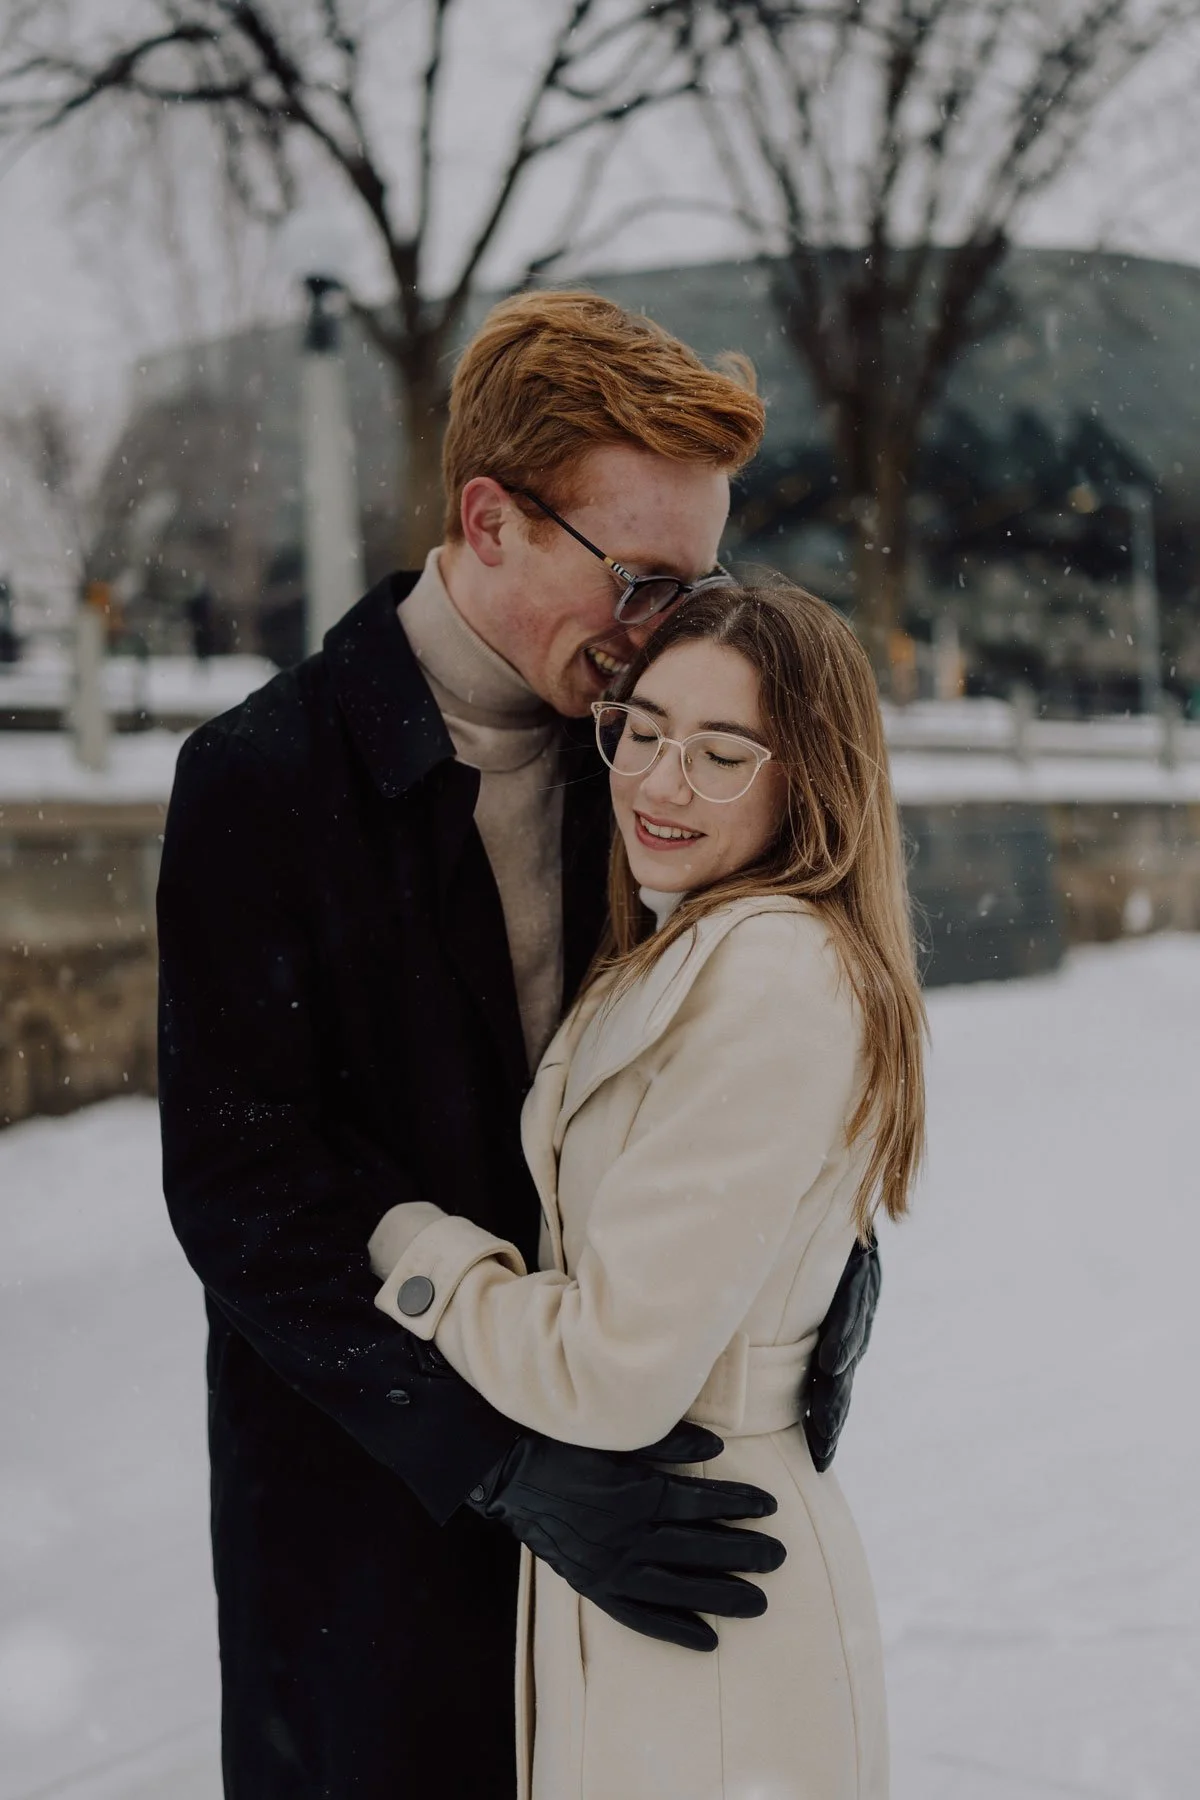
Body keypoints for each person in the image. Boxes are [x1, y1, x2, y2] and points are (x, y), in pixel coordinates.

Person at [157, 291, 879, 1799]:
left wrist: (828, 1271)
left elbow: (770, 1041)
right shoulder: (261, 779)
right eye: (640, 579)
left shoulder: (647, 764)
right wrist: (495, 1460)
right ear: (490, 521)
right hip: (370, 1515)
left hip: (638, 1524)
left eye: (697, 582)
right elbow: (245, 1188)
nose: (665, 634)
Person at [367, 581, 926, 1799]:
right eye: (643, 731)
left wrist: (420, 1256)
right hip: (664, 1575)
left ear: (808, 777)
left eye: (722, 753)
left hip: (706, 1590)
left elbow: (611, 1370)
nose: (661, 784)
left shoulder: (771, 969)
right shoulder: (693, 943)